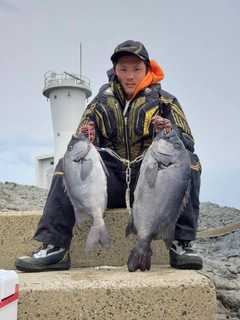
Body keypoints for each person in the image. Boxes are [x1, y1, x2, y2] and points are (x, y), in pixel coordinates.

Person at [15, 40, 203, 272]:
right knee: (67, 163)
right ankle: (56, 247)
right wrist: (88, 137)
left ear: (147, 69)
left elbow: (188, 143)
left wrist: (169, 130)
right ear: (115, 71)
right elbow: (76, 143)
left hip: (153, 187)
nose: (130, 75)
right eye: (123, 69)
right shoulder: (98, 104)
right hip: (107, 185)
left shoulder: (167, 102)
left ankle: (181, 243)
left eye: (136, 68)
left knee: (191, 163)